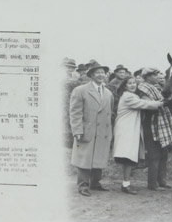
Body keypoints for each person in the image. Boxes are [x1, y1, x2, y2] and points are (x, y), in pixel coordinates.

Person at [68, 62, 115, 196]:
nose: (101, 75)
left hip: (102, 132)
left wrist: (109, 132)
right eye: (97, 73)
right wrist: (77, 130)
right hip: (87, 129)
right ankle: (83, 185)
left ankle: (95, 183)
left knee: (99, 157)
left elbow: (109, 113)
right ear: (91, 75)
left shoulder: (108, 93)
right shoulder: (81, 90)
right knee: (84, 158)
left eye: (103, 73)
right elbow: (75, 112)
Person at [112, 76, 163, 194]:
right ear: (125, 86)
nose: (133, 85)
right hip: (126, 129)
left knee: (128, 158)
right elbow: (144, 104)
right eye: (130, 83)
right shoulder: (128, 96)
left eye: (134, 83)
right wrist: (161, 103)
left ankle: (126, 184)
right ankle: (126, 185)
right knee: (128, 158)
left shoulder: (130, 95)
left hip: (129, 128)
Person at [136, 68, 172, 191]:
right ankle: (152, 183)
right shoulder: (143, 88)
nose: (157, 76)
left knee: (164, 153)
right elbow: (148, 105)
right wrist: (163, 102)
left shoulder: (155, 87)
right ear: (147, 76)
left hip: (160, 122)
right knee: (154, 154)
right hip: (151, 122)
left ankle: (162, 181)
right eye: (154, 74)